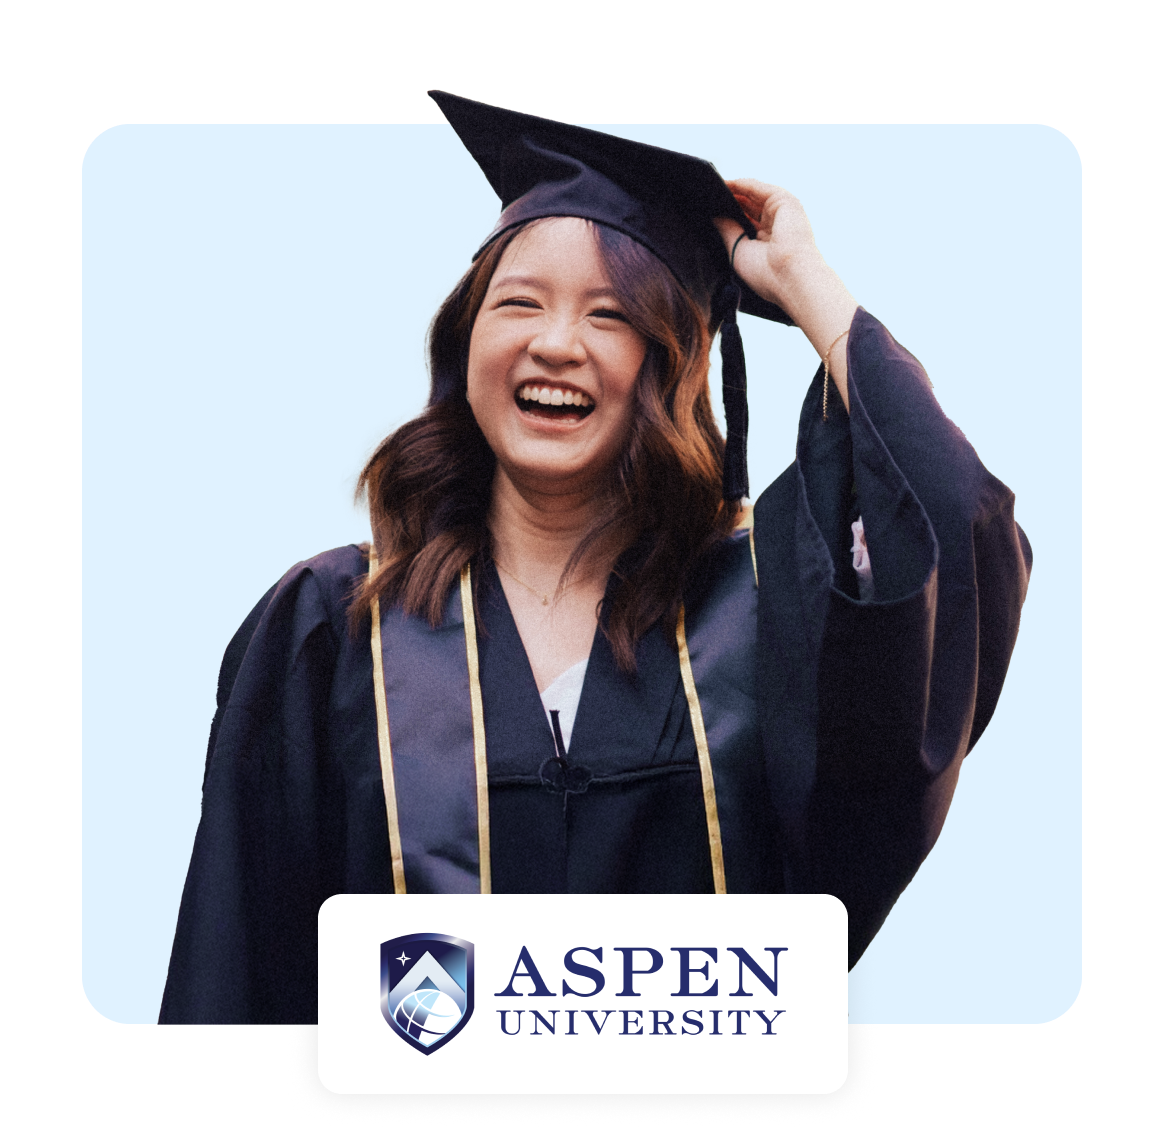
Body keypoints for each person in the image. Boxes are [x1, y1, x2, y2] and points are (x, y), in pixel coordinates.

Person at [159, 96, 1033, 1025]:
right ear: (466, 344)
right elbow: (235, 963)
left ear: (670, 366)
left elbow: (946, 530)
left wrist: (805, 283)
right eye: (520, 303)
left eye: (610, 316)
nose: (556, 343)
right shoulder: (334, 628)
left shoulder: (762, 616)